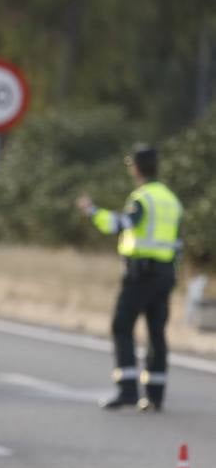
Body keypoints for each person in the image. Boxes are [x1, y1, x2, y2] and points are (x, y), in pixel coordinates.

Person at [76, 145, 183, 411]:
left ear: (135, 168)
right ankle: (155, 395)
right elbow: (178, 242)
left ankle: (127, 391)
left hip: (141, 274)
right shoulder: (171, 199)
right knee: (157, 332)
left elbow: (119, 224)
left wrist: (91, 212)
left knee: (122, 327)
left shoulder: (143, 198)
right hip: (166, 273)